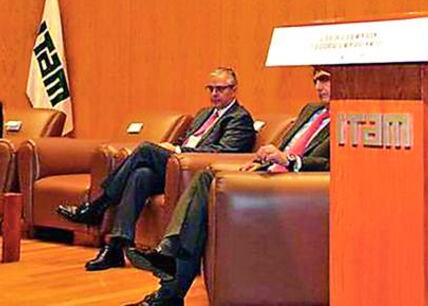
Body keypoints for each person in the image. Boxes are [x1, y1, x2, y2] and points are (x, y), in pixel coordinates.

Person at [124, 68, 332, 306]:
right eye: (316, 81)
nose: (319, 87)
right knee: (205, 182)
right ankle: (169, 272)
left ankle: (168, 276)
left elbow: (331, 163)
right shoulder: (311, 110)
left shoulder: (348, 118)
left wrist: (289, 160)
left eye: (325, 80)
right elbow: (284, 146)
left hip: (296, 185)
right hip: (268, 173)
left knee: (199, 187)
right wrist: (262, 159)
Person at [57, 67, 256, 272]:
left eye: (220, 89)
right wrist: (175, 146)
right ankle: (115, 248)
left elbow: (223, 151)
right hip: (178, 167)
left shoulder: (239, 118)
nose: (214, 94)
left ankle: (97, 207)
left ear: (234, 90)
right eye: (211, 89)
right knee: (140, 175)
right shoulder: (204, 114)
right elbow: (186, 139)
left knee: (145, 149)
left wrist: (177, 150)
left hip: (196, 172)